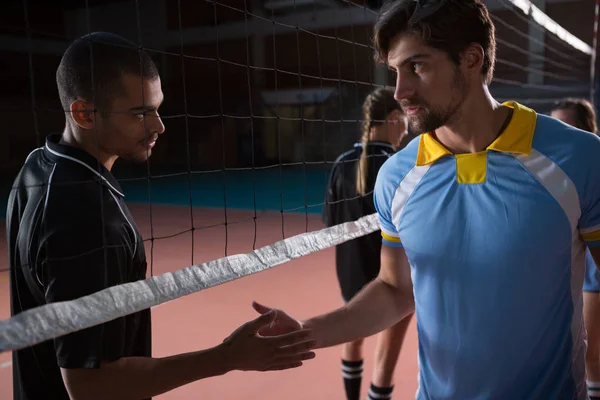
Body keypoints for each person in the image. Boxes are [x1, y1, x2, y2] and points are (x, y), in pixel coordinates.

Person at [250, 1, 600, 399]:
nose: (400, 91)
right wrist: (305, 334)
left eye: (417, 66)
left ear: (471, 59)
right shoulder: (397, 177)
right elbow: (395, 289)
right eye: (395, 71)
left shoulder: (579, 159)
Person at [7, 32, 316, 400]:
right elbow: (91, 386)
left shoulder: (37, 165)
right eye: (140, 113)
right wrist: (225, 357)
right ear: (84, 113)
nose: (159, 126)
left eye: (156, 108)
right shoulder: (87, 216)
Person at [322, 87, 412, 400]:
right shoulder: (401, 166)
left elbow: (331, 225)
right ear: (392, 118)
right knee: (386, 354)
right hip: (391, 277)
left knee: (353, 332)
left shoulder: (341, 163)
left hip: (349, 271)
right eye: (405, 119)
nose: (408, 127)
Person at [551, 97, 600, 400]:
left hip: (593, 274)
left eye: (566, 126)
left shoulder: (591, 164)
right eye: (554, 125)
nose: (558, 134)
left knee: (589, 354)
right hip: (571, 275)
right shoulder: (546, 172)